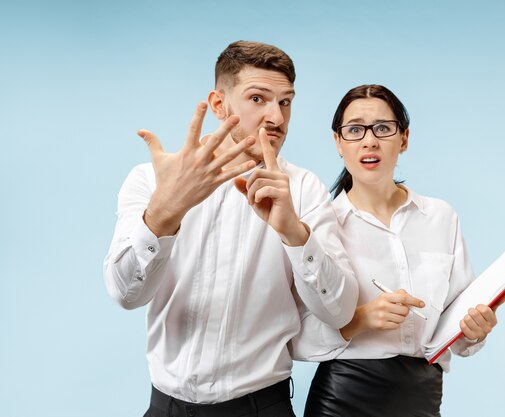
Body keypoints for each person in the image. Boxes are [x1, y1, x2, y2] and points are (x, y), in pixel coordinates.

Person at [103, 41, 358, 417]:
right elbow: (125, 293)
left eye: (285, 102)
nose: (277, 117)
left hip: (261, 407)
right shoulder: (151, 180)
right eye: (258, 99)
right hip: (165, 407)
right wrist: (163, 212)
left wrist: (295, 234)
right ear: (219, 105)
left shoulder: (304, 189)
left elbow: (339, 312)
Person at [291, 84, 505, 417]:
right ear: (338, 142)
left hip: (422, 396)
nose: (369, 140)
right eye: (354, 130)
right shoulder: (319, 225)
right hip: (344, 398)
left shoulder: (441, 217)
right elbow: (296, 337)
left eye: (382, 128)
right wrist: (359, 320)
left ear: (403, 138)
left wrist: (475, 330)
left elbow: (457, 331)